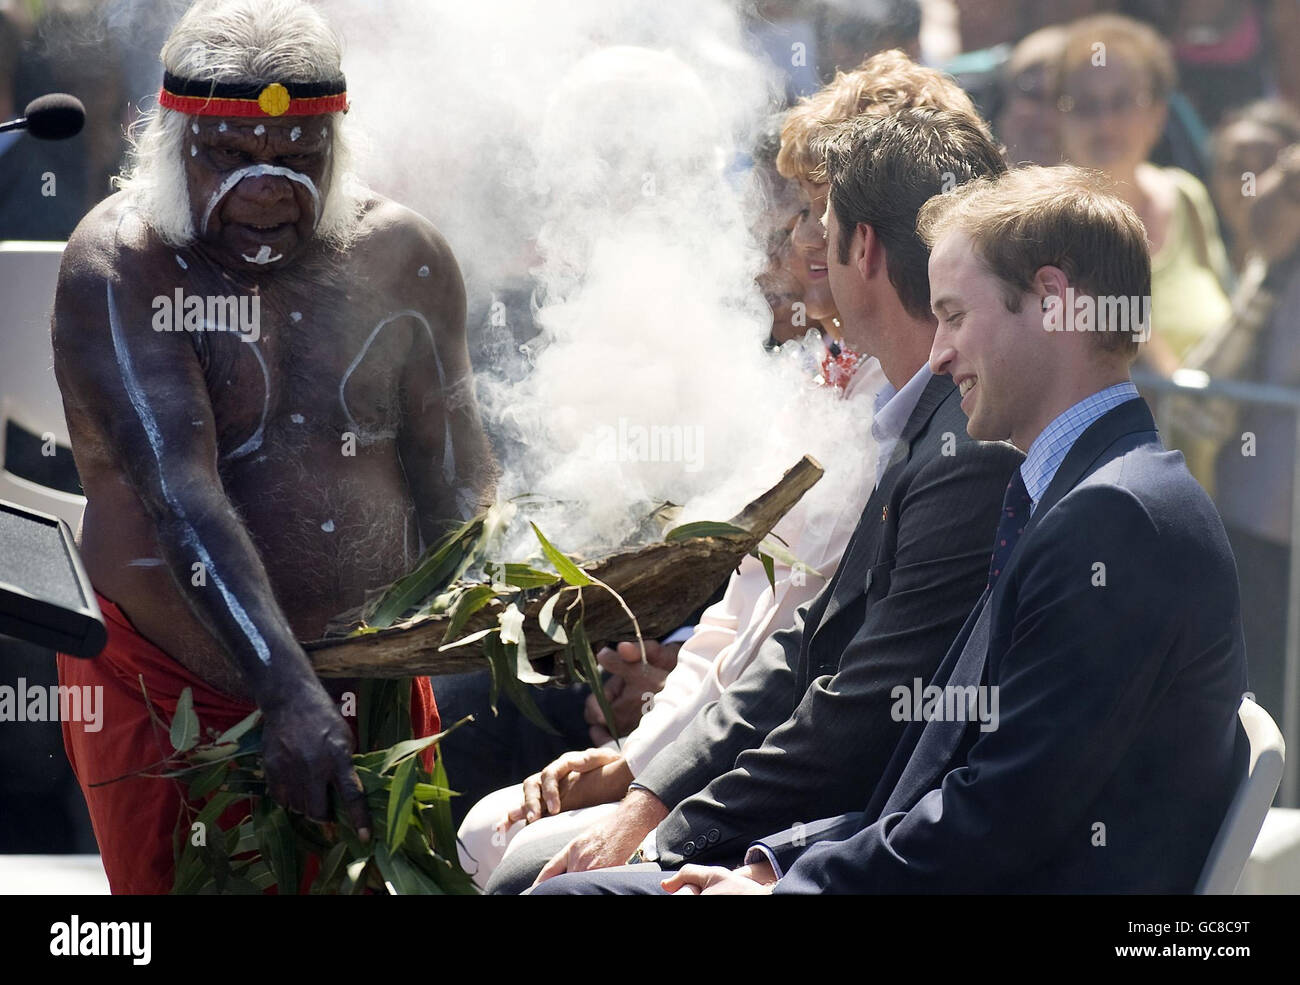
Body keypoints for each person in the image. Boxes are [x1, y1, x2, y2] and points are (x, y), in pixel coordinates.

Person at [538, 164, 1248, 895]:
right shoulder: (1077, 493)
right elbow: (942, 783)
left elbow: (1004, 817)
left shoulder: (1113, 517)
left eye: (956, 315)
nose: (939, 353)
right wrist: (772, 862)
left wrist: (786, 890)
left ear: (1054, 302)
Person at [495, 106, 1021, 894]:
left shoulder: (964, 442)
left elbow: (862, 707)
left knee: (535, 878)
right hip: (797, 794)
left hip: (847, 828)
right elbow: (799, 644)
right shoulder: (920, 416)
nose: (805, 241)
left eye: (821, 217)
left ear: (863, 247)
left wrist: (680, 827)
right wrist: (651, 786)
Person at [51, 0, 496, 893]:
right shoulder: (120, 265)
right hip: (172, 687)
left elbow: (455, 477)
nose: (266, 188)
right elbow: (183, 495)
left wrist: (516, 603)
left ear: (338, 143)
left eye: (298, 159)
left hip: (369, 687)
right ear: (171, 141)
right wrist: (285, 691)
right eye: (230, 156)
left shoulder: (401, 254)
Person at [1055, 13, 1231, 375]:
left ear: (1157, 113)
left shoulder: (1186, 195)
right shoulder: (1044, 222)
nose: (1105, 123)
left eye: (1121, 102)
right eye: (1086, 105)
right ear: (1060, 118)